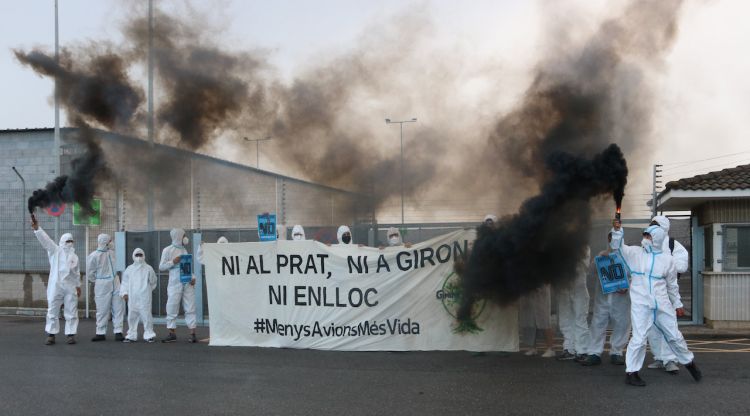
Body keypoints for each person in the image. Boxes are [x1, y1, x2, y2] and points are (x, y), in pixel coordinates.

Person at [610, 222, 701, 386]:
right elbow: (618, 247)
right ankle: (632, 372)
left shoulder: (668, 260)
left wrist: (677, 304)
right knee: (639, 338)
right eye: (644, 235)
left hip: (662, 304)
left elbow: (672, 286)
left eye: (648, 236)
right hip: (641, 304)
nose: (645, 239)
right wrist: (617, 232)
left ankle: (689, 363)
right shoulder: (635, 253)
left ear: (657, 239)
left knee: (674, 336)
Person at [646, 215, 689, 374]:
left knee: (669, 326)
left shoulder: (673, 245)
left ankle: (670, 359)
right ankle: (659, 357)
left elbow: (682, 266)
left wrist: (664, 264)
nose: (653, 228)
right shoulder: (647, 245)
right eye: (652, 225)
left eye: (657, 225)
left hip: (667, 292)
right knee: (652, 327)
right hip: (649, 293)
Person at [581, 232, 631, 366]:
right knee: (597, 325)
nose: (612, 241)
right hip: (602, 299)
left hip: (622, 299)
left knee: (622, 325)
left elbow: (635, 275)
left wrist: (628, 286)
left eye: (615, 238)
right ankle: (594, 353)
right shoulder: (602, 254)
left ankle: (617, 352)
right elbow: (591, 272)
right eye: (610, 238)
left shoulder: (629, 256)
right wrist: (597, 259)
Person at [31, 216, 81, 345]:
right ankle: (51, 334)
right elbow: (45, 240)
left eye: (71, 241)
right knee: (53, 309)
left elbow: (76, 273)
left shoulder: (74, 257)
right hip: (56, 284)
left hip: (70, 286)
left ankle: (71, 334)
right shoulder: (55, 251)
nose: (69, 243)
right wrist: (37, 228)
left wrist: (78, 285)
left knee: (71, 309)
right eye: (67, 241)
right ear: (62, 241)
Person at [159, 228, 197, 343]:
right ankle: (172, 333)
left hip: (187, 279)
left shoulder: (184, 250)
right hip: (175, 280)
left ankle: (193, 333)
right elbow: (161, 267)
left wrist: (193, 277)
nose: (186, 237)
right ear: (179, 236)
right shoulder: (167, 250)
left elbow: (188, 266)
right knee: (172, 305)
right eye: (184, 235)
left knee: (190, 306)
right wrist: (173, 262)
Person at [556, 246, 593, 361]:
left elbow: (583, 265)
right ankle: (569, 348)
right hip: (563, 288)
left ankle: (582, 350)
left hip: (578, 288)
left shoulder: (581, 245)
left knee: (580, 318)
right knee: (565, 319)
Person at [86, 233, 125, 342]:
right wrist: (99, 281)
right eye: (110, 241)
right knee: (102, 309)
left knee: (118, 307)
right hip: (102, 283)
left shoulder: (112, 253)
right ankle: (100, 332)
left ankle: (118, 331)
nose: (111, 242)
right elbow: (90, 273)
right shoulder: (94, 255)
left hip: (115, 282)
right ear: (106, 242)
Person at [120, 248, 157, 343]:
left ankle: (149, 334)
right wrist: (124, 293)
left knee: (147, 316)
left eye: (140, 255)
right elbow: (124, 282)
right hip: (132, 297)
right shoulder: (129, 269)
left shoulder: (149, 268)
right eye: (137, 255)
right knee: (132, 316)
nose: (139, 257)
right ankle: (131, 335)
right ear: (133, 256)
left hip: (145, 297)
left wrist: (147, 291)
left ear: (144, 256)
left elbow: (153, 281)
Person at [519, 285, 556, 358]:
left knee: (544, 320)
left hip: (541, 290)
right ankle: (532, 347)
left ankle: (550, 349)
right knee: (529, 320)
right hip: (528, 292)